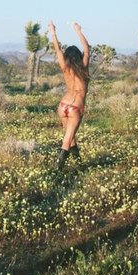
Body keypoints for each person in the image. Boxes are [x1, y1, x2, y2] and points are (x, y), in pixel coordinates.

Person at [48, 20, 90, 170]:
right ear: (78, 56)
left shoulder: (65, 68)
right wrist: (78, 31)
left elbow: (58, 50)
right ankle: (57, 170)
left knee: (70, 137)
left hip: (63, 105)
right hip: (75, 107)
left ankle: (79, 166)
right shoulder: (83, 68)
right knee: (67, 140)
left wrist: (53, 32)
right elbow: (87, 49)